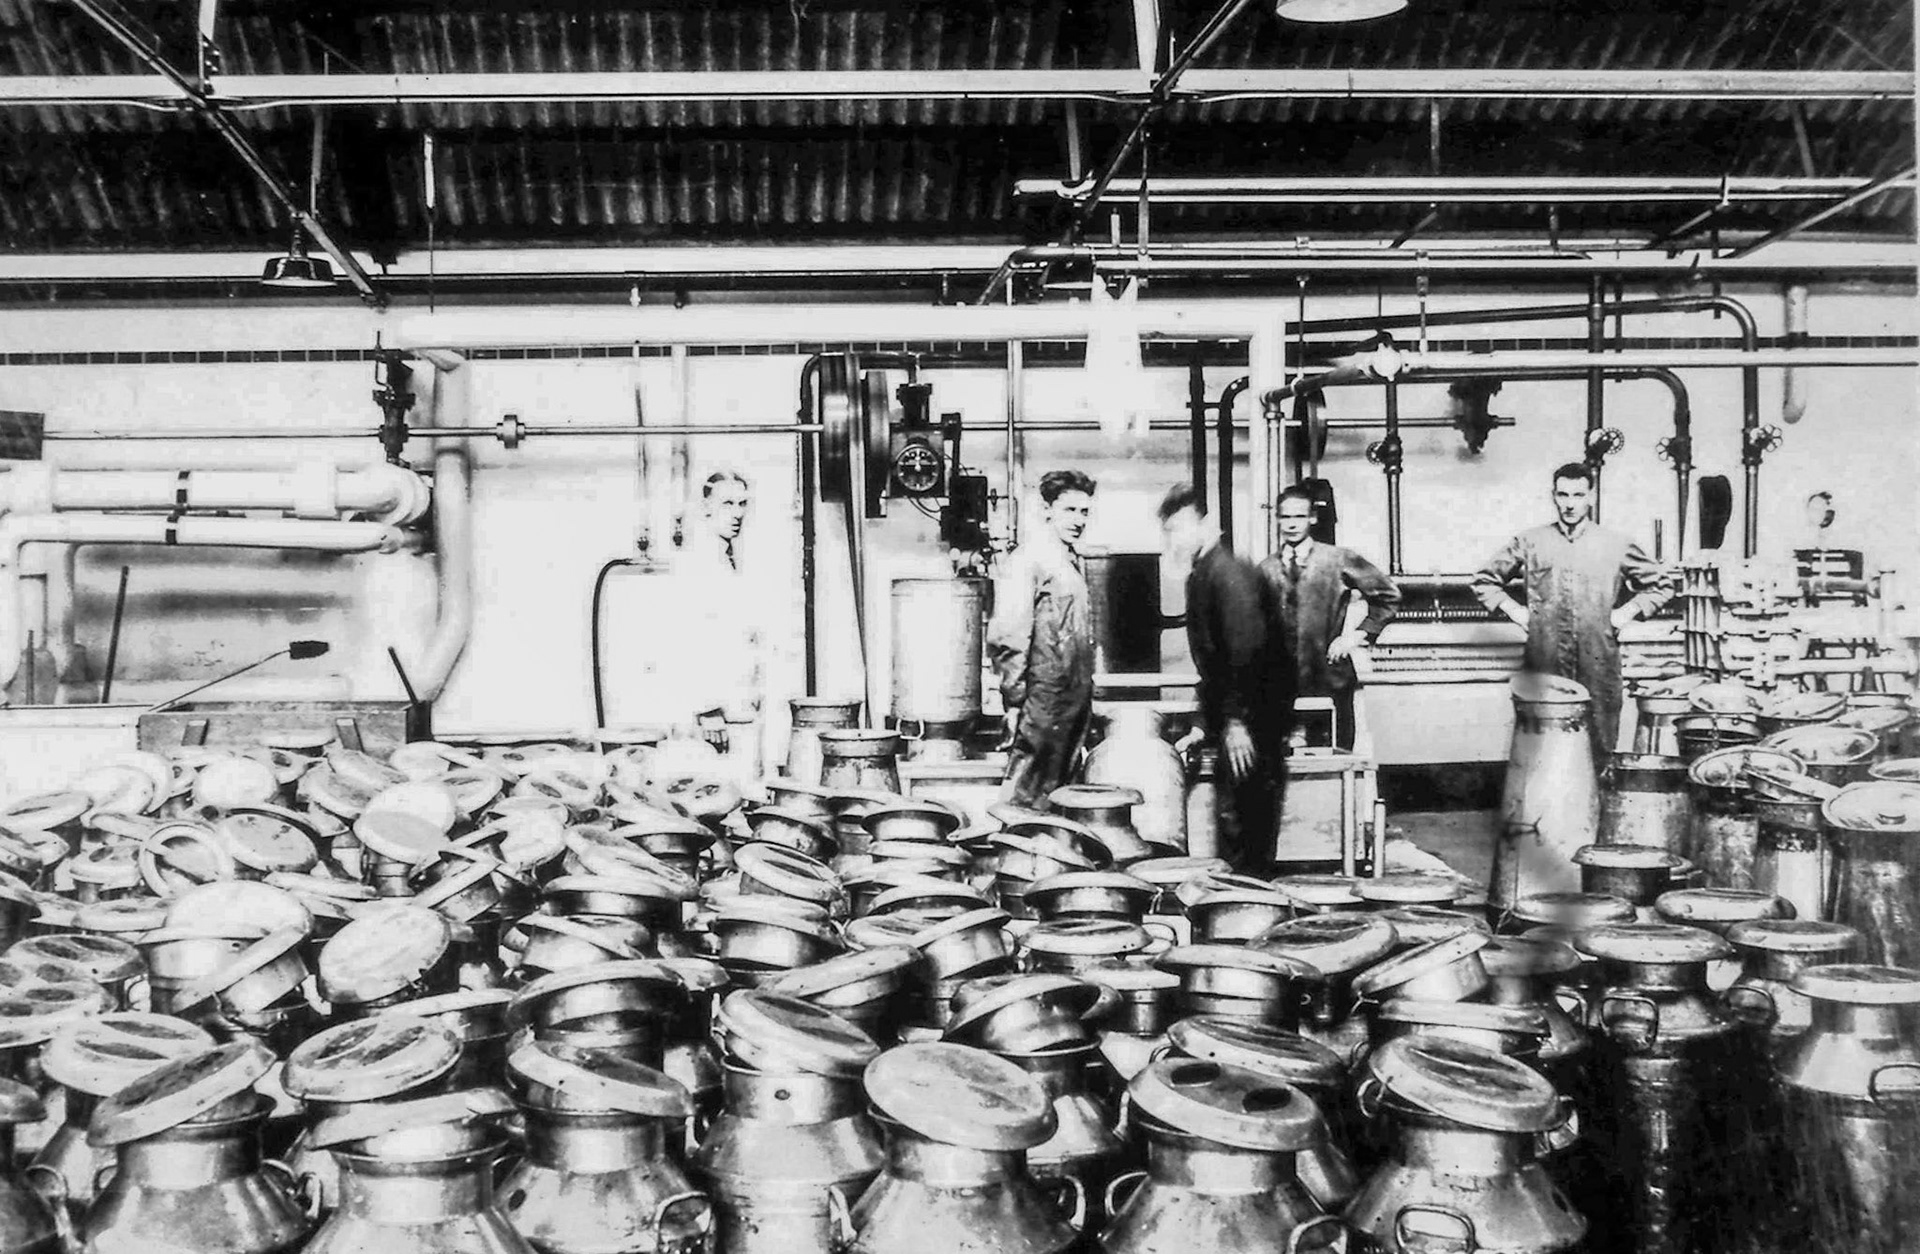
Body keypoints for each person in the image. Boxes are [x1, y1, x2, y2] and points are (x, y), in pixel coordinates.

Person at [1472, 461, 1673, 764]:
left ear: (1591, 496)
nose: (1570, 504)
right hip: (1544, 660)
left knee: (1600, 742)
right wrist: (1515, 611)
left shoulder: (1616, 544)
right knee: (1541, 747)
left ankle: (1600, 808)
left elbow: (1662, 584)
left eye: (1578, 495)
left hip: (1599, 661)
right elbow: (1484, 581)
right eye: (1563, 495)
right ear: (1553, 496)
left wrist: (1628, 611)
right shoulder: (1531, 542)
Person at [1158, 483, 1291, 873]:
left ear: (1206, 525)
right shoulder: (1206, 573)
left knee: (1244, 830)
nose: (1175, 540)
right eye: (1170, 532)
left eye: (1181, 529)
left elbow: (1244, 652)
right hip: (1243, 721)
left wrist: (1234, 722)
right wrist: (1206, 723)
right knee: (1237, 827)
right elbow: (1216, 666)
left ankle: (1249, 916)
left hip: (1252, 725)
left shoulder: (1228, 574)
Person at [1261, 485, 1401, 751]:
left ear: (1312, 518)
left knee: (1336, 768)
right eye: (1285, 517)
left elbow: (1389, 595)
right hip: (1282, 688)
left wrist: (1355, 637)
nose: (1291, 524)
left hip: (1330, 682)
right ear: (1277, 519)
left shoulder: (1338, 559)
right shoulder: (1265, 569)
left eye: (1299, 517)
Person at [987, 469, 1097, 810]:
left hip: (1070, 700)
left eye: (1084, 512)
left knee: (1058, 794)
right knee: (1027, 792)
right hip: (1042, 700)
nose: (1078, 520)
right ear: (1046, 509)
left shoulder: (1068, 563)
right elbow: (1009, 634)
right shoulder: (1029, 560)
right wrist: (1015, 700)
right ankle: (1014, 857)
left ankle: (1049, 859)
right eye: (1070, 510)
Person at [681, 470, 766, 773]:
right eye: (727, 504)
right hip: (715, 720)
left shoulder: (730, 559)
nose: (737, 513)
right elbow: (689, 638)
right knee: (714, 800)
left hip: (740, 712)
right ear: (706, 507)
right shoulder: (695, 563)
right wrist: (708, 709)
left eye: (742, 504)